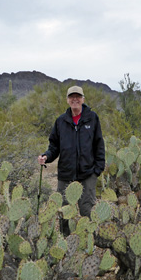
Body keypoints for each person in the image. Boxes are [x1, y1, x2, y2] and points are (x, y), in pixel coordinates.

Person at [38, 85, 105, 217]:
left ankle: (88, 237)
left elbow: (99, 144)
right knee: (64, 211)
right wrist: (46, 156)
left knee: (87, 209)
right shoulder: (61, 121)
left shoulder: (92, 118)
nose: (75, 99)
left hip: (88, 173)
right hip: (66, 173)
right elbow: (54, 146)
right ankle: (65, 237)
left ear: (83, 99)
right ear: (67, 100)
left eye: (78, 97)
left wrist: (98, 169)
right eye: (72, 97)